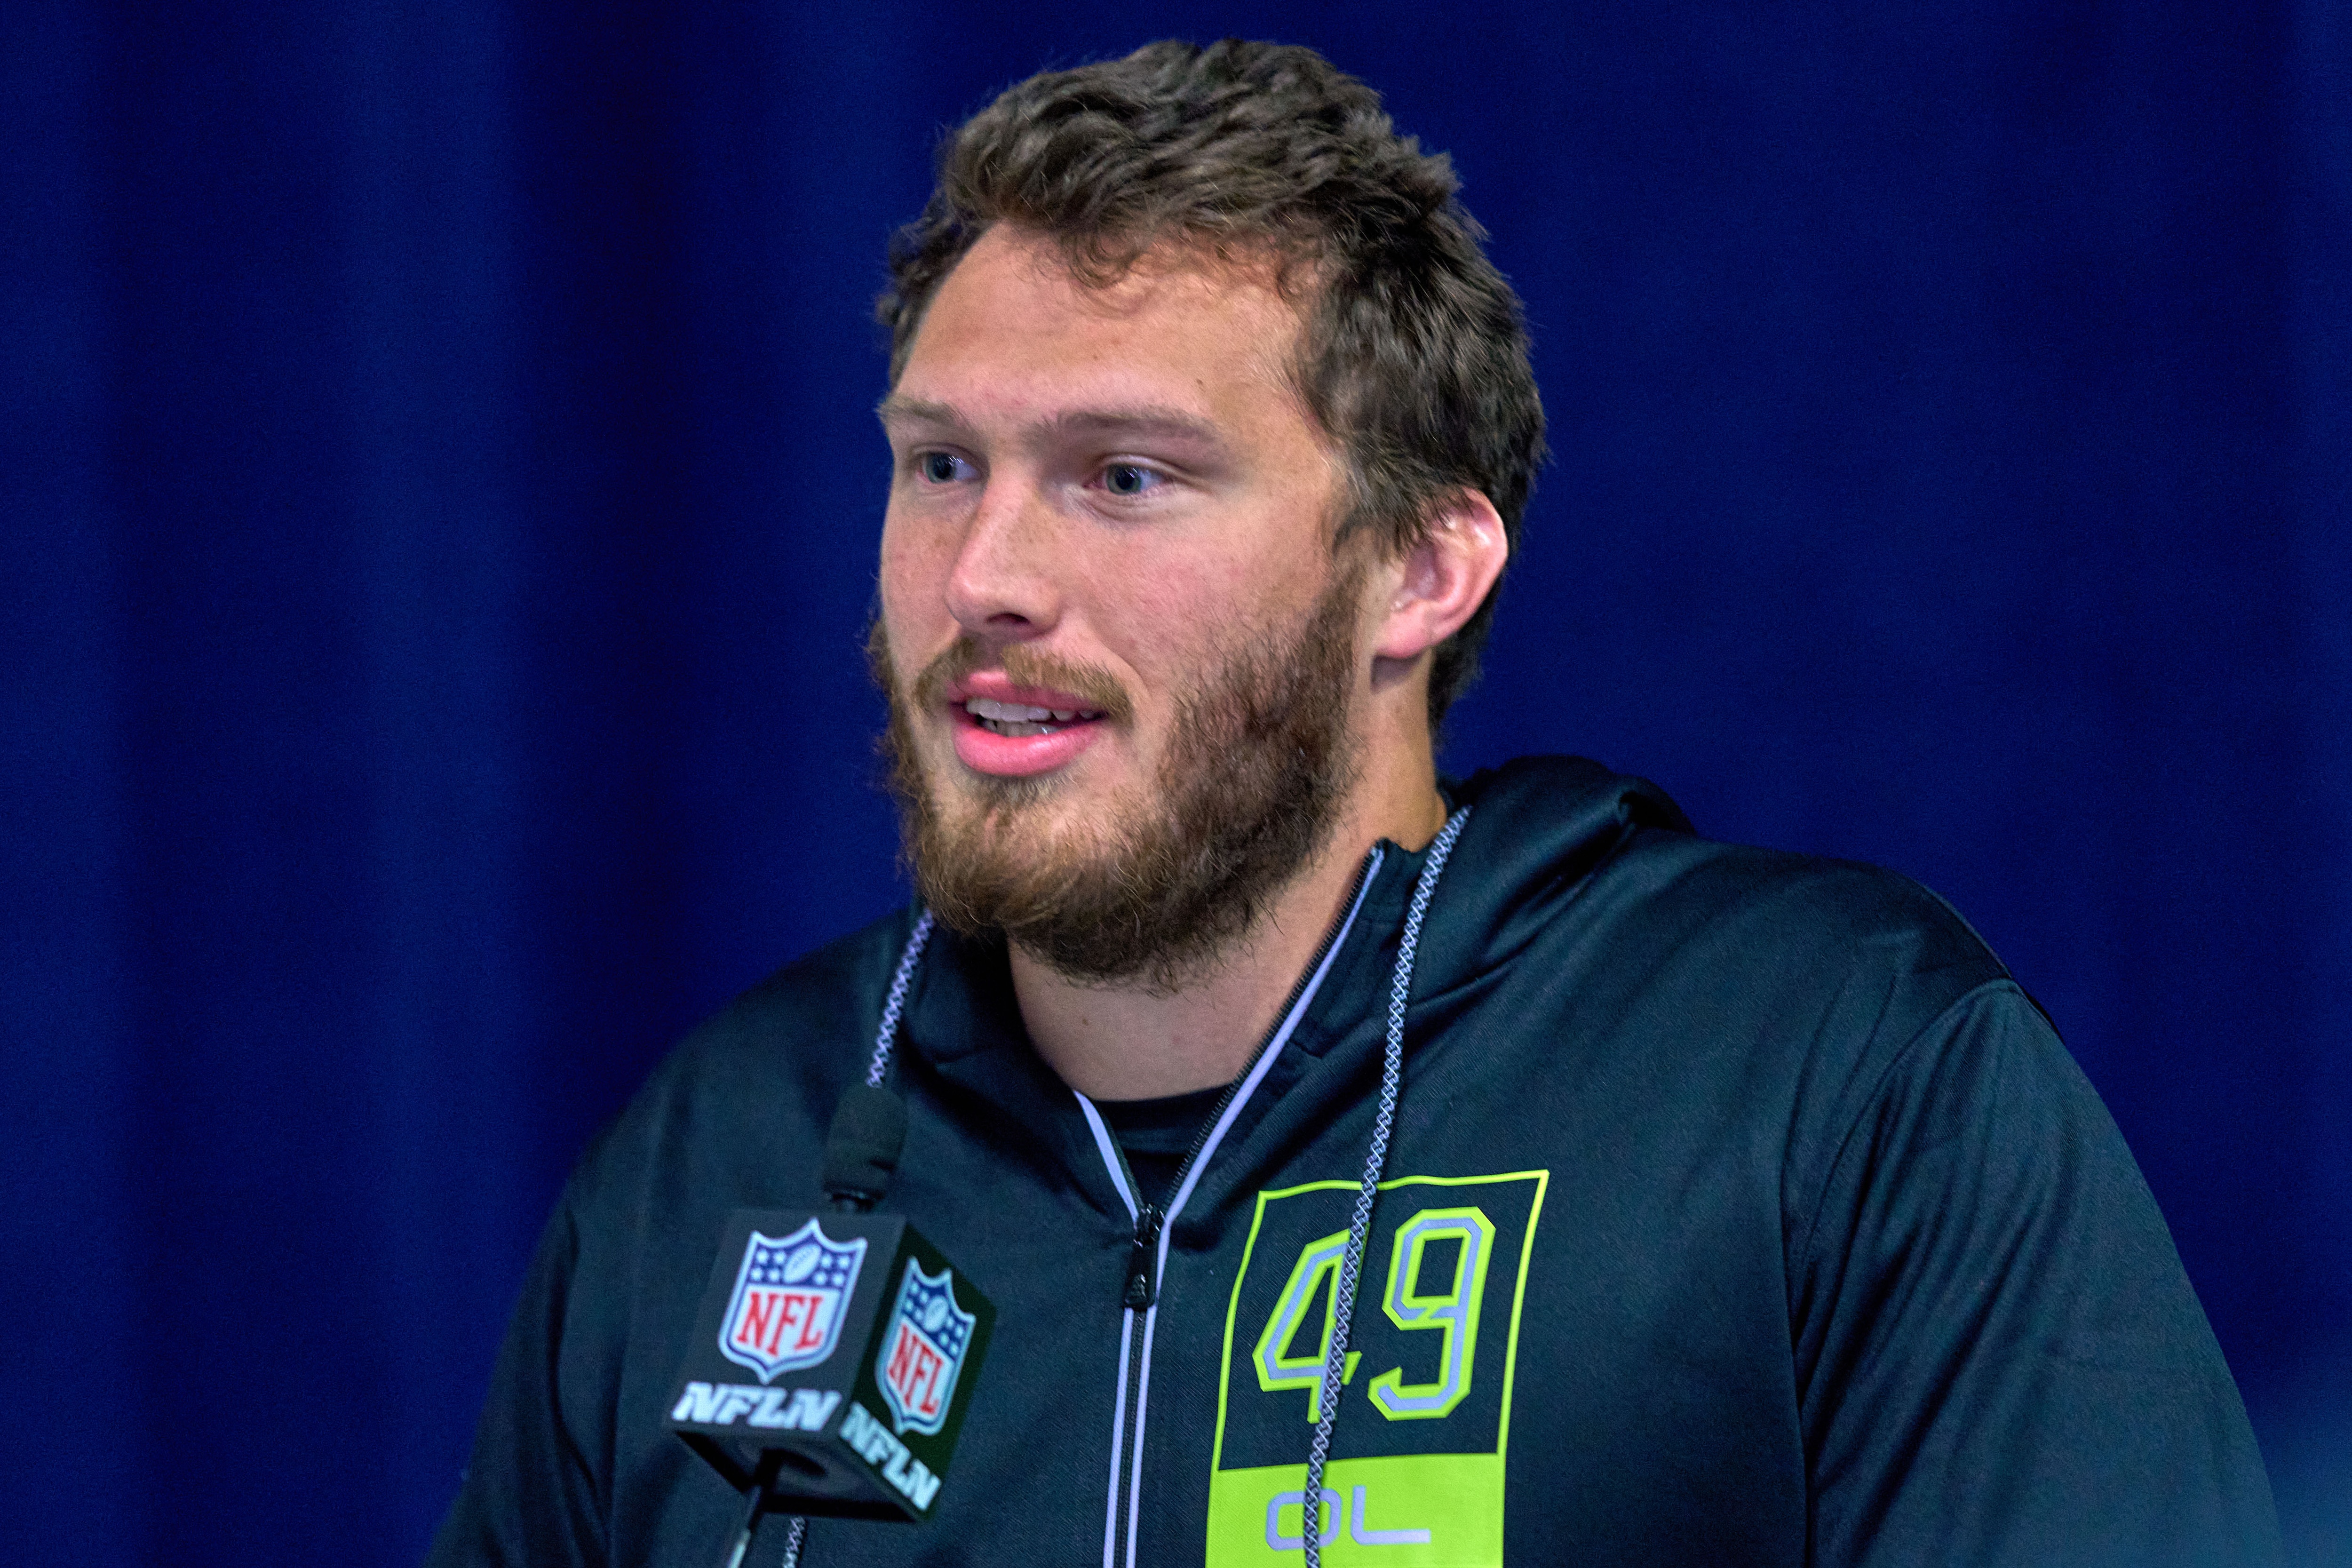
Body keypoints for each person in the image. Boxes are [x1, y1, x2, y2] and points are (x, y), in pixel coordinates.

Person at [426, 39, 2281, 1568]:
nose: (982, 570)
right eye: (939, 463)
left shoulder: (1822, 1078)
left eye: (1124, 476)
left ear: (1417, 569)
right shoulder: (722, 1158)